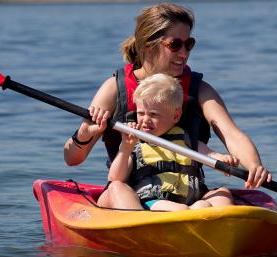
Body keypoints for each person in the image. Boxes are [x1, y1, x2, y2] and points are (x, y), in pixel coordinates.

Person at [64, 3, 272, 210]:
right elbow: (72, 158)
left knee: (222, 195)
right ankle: (145, 229)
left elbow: (232, 134)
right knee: (118, 189)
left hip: (187, 197)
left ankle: (205, 226)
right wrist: (84, 134)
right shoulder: (113, 89)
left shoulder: (200, 90)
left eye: (188, 44)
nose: (184, 53)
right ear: (148, 45)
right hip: (133, 197)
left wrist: (254, 166)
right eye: (175, 45)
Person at [108, 73, 239, 210]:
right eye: (141, 113)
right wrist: (126, 148)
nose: (145, 119)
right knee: (183, 209)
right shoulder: (134, 141)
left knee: (223, 194)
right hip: (153, 202)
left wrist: (222, 159)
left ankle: (219, 222)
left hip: (191, 199)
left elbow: (208, 154)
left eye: (153, 114)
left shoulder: (185, 139)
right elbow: (115, 178)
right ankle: (192, 214)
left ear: (176, 116)